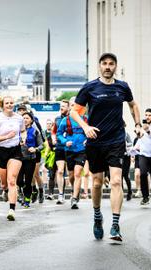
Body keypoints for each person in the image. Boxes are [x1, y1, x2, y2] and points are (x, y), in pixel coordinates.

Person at [70, 52, 141, 242]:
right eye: (104, 64)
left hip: (116, 140)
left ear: (115, 66)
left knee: (116, 181)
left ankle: (115, 225)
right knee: (97, 183)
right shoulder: (90, 87)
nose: (108, 67)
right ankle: (97, 215)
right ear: (99, 66)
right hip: (95, 142)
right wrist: (85, 127)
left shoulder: (122, 87)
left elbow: (133, 105)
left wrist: (137, 124)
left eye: (111, 64)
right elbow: (74, 112)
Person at [0, 96, 25, 221]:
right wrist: (6, 137)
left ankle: (12, 209)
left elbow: (23, 130)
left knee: (12, 180)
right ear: (3, 105)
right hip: (0, 151)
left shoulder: (19, 118)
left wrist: (23, 138)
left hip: (15, 150)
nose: (9, 105)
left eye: (11, 103)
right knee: (4, 183)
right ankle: (4, 190)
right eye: (7, 103)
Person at [57, 97, 87, 209]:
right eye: (73, 105)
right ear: (70, 107)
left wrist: (87, 140)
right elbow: (59, 134)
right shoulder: (66, 120)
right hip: (69, 150)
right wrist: (65, 141)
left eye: (77, 105)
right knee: (71, 175)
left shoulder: (86, 119)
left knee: (78, 173)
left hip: (82, 150)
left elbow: (92, 131)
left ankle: (74, 199)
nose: (75, 107)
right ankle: (75, 190)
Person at [18, 112, 43, 208]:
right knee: (19, 181)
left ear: (31, 120)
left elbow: (41, 145)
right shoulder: (17, 131)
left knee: (28, 180)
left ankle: (27, 199)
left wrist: (35, 149)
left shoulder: (35, 131)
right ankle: (25, 191)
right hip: (18, 158)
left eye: (27, 118)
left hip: (30, 159)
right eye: (23, 118)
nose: (25, 120)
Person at [51, 100, 70, 204]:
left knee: (71, 173)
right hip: (60, 147)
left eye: (63, 106)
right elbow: (54, 131)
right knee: (60, 171)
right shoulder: (57, 119)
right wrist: (54, 138)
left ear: (68, 108)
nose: (61, 108)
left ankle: (74, 194)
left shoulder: (73, 118)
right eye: (60, 106)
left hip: (71, 147)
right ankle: (61, 195)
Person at [134, 118, 151, 205]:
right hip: (143, 155)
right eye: (146, 115)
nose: (148, 117)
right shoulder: (141, 130)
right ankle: (145, 197)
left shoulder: (147, 129)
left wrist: (147, 131)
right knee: (143, 174)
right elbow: (139, 142)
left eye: (150, 115)